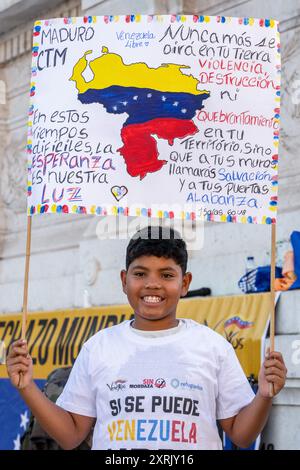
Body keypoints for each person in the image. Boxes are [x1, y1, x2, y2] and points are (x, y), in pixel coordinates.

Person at [6, 225, 287, 450]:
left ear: (185, 283)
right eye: (140, 273)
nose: (153, 284)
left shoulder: (213, 347)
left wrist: (263, 395)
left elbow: (240, 434)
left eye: (166, 275)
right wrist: (27, 387)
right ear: (124, 280)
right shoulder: (98, 348)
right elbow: (70, 436)